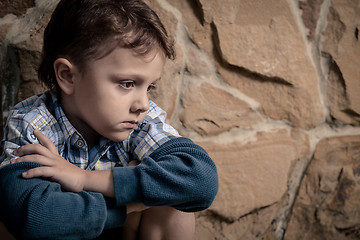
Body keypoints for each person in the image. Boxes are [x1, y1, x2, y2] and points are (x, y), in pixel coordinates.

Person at [0, 0, 219, 239]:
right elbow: (36, 218)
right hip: (72, 230)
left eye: (150, 87)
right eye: (127, 84)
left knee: (175, 202)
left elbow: (201, 180)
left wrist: (85, 179)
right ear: (68, 76)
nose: (143, 104)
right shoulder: (33, 124)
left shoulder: (141, 121)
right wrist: (129, 205)